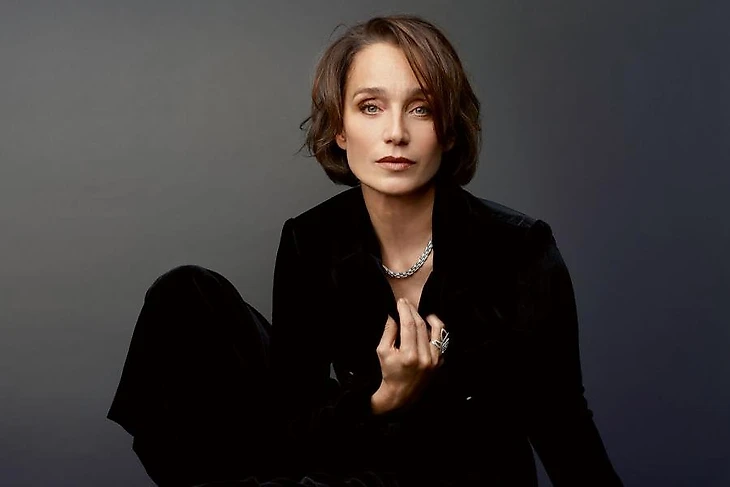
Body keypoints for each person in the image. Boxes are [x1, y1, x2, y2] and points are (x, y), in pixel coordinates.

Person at [107, 14, 623, 487]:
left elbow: (563, 422)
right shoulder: (310, 239)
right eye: (370, 107)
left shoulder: (517, 247)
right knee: (186, 297)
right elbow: (292, 424)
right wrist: (383, 399)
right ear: (340, 127)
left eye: (421, 109)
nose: (395, 133)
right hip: (356, 458)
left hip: (462, 471)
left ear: (447, 131)